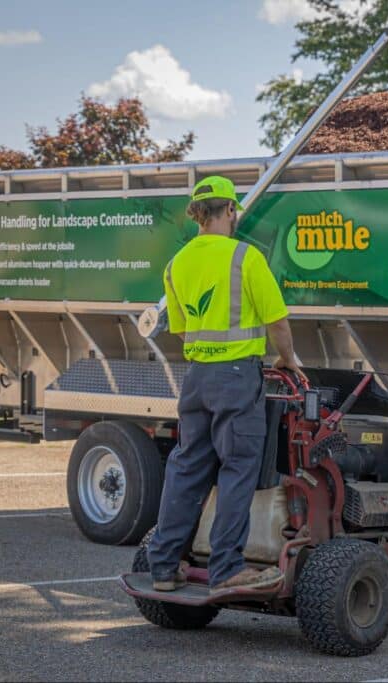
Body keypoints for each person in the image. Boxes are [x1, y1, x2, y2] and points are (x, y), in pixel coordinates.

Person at [147, 175, 306, 596]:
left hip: (197, 378)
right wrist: (287, 359)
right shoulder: (244, 257)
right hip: (236, 378)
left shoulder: (176, 264)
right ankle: (227, 569)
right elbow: (277, 321)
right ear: (230, 209)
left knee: (187, 468)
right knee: (237, 468)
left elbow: (181, 329)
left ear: (198, 214)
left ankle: (164, 566)